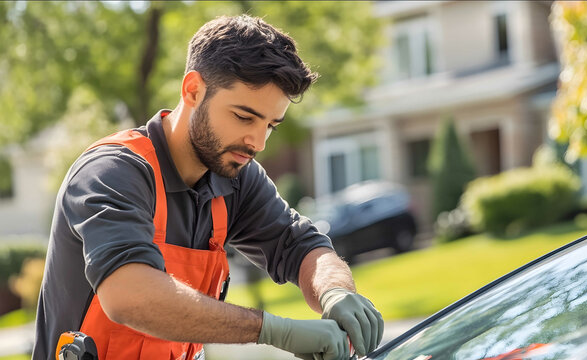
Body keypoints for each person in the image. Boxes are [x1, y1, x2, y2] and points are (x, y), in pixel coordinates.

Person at [33, 14, 383, 360]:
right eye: (244, 117)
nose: (257, 142)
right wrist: (273, 330)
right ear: (193, 90)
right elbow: (130, 296)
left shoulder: (236, 176)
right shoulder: (113, 171)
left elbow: (301, 245)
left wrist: (335, 291)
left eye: (271, 125)